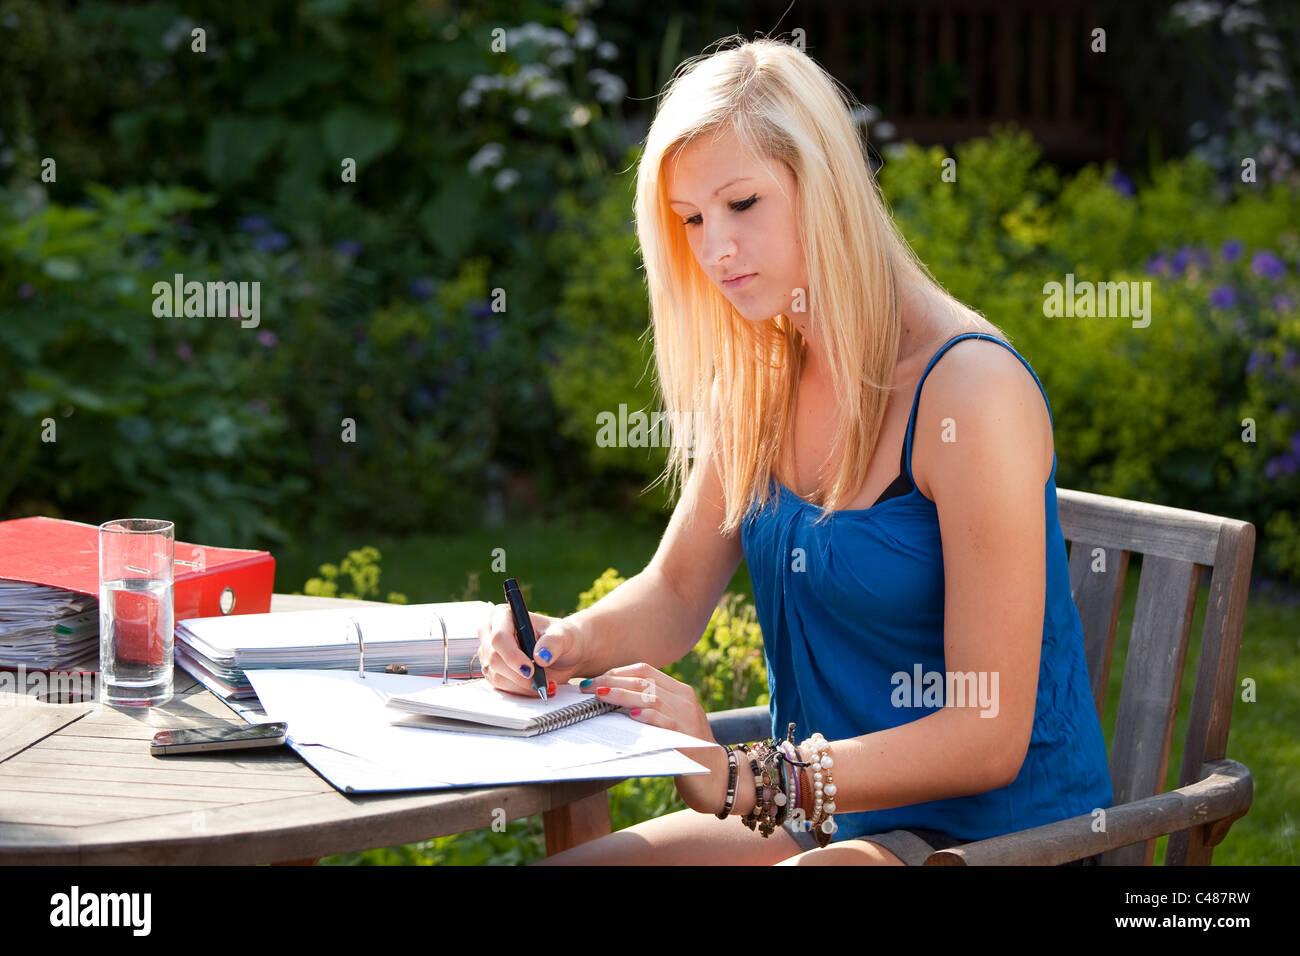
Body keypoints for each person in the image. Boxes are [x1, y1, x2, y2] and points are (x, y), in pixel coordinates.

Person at [475, 35, 1113, 865]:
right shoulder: (762, 375)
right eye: (692, 220)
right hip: (832, 828)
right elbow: (673, 592)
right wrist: (558, 645)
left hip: (999, 843)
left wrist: (749, 778)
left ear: (829, 187)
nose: (716, 251)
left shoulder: (969, 392)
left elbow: (985, 737)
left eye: (743, 204)